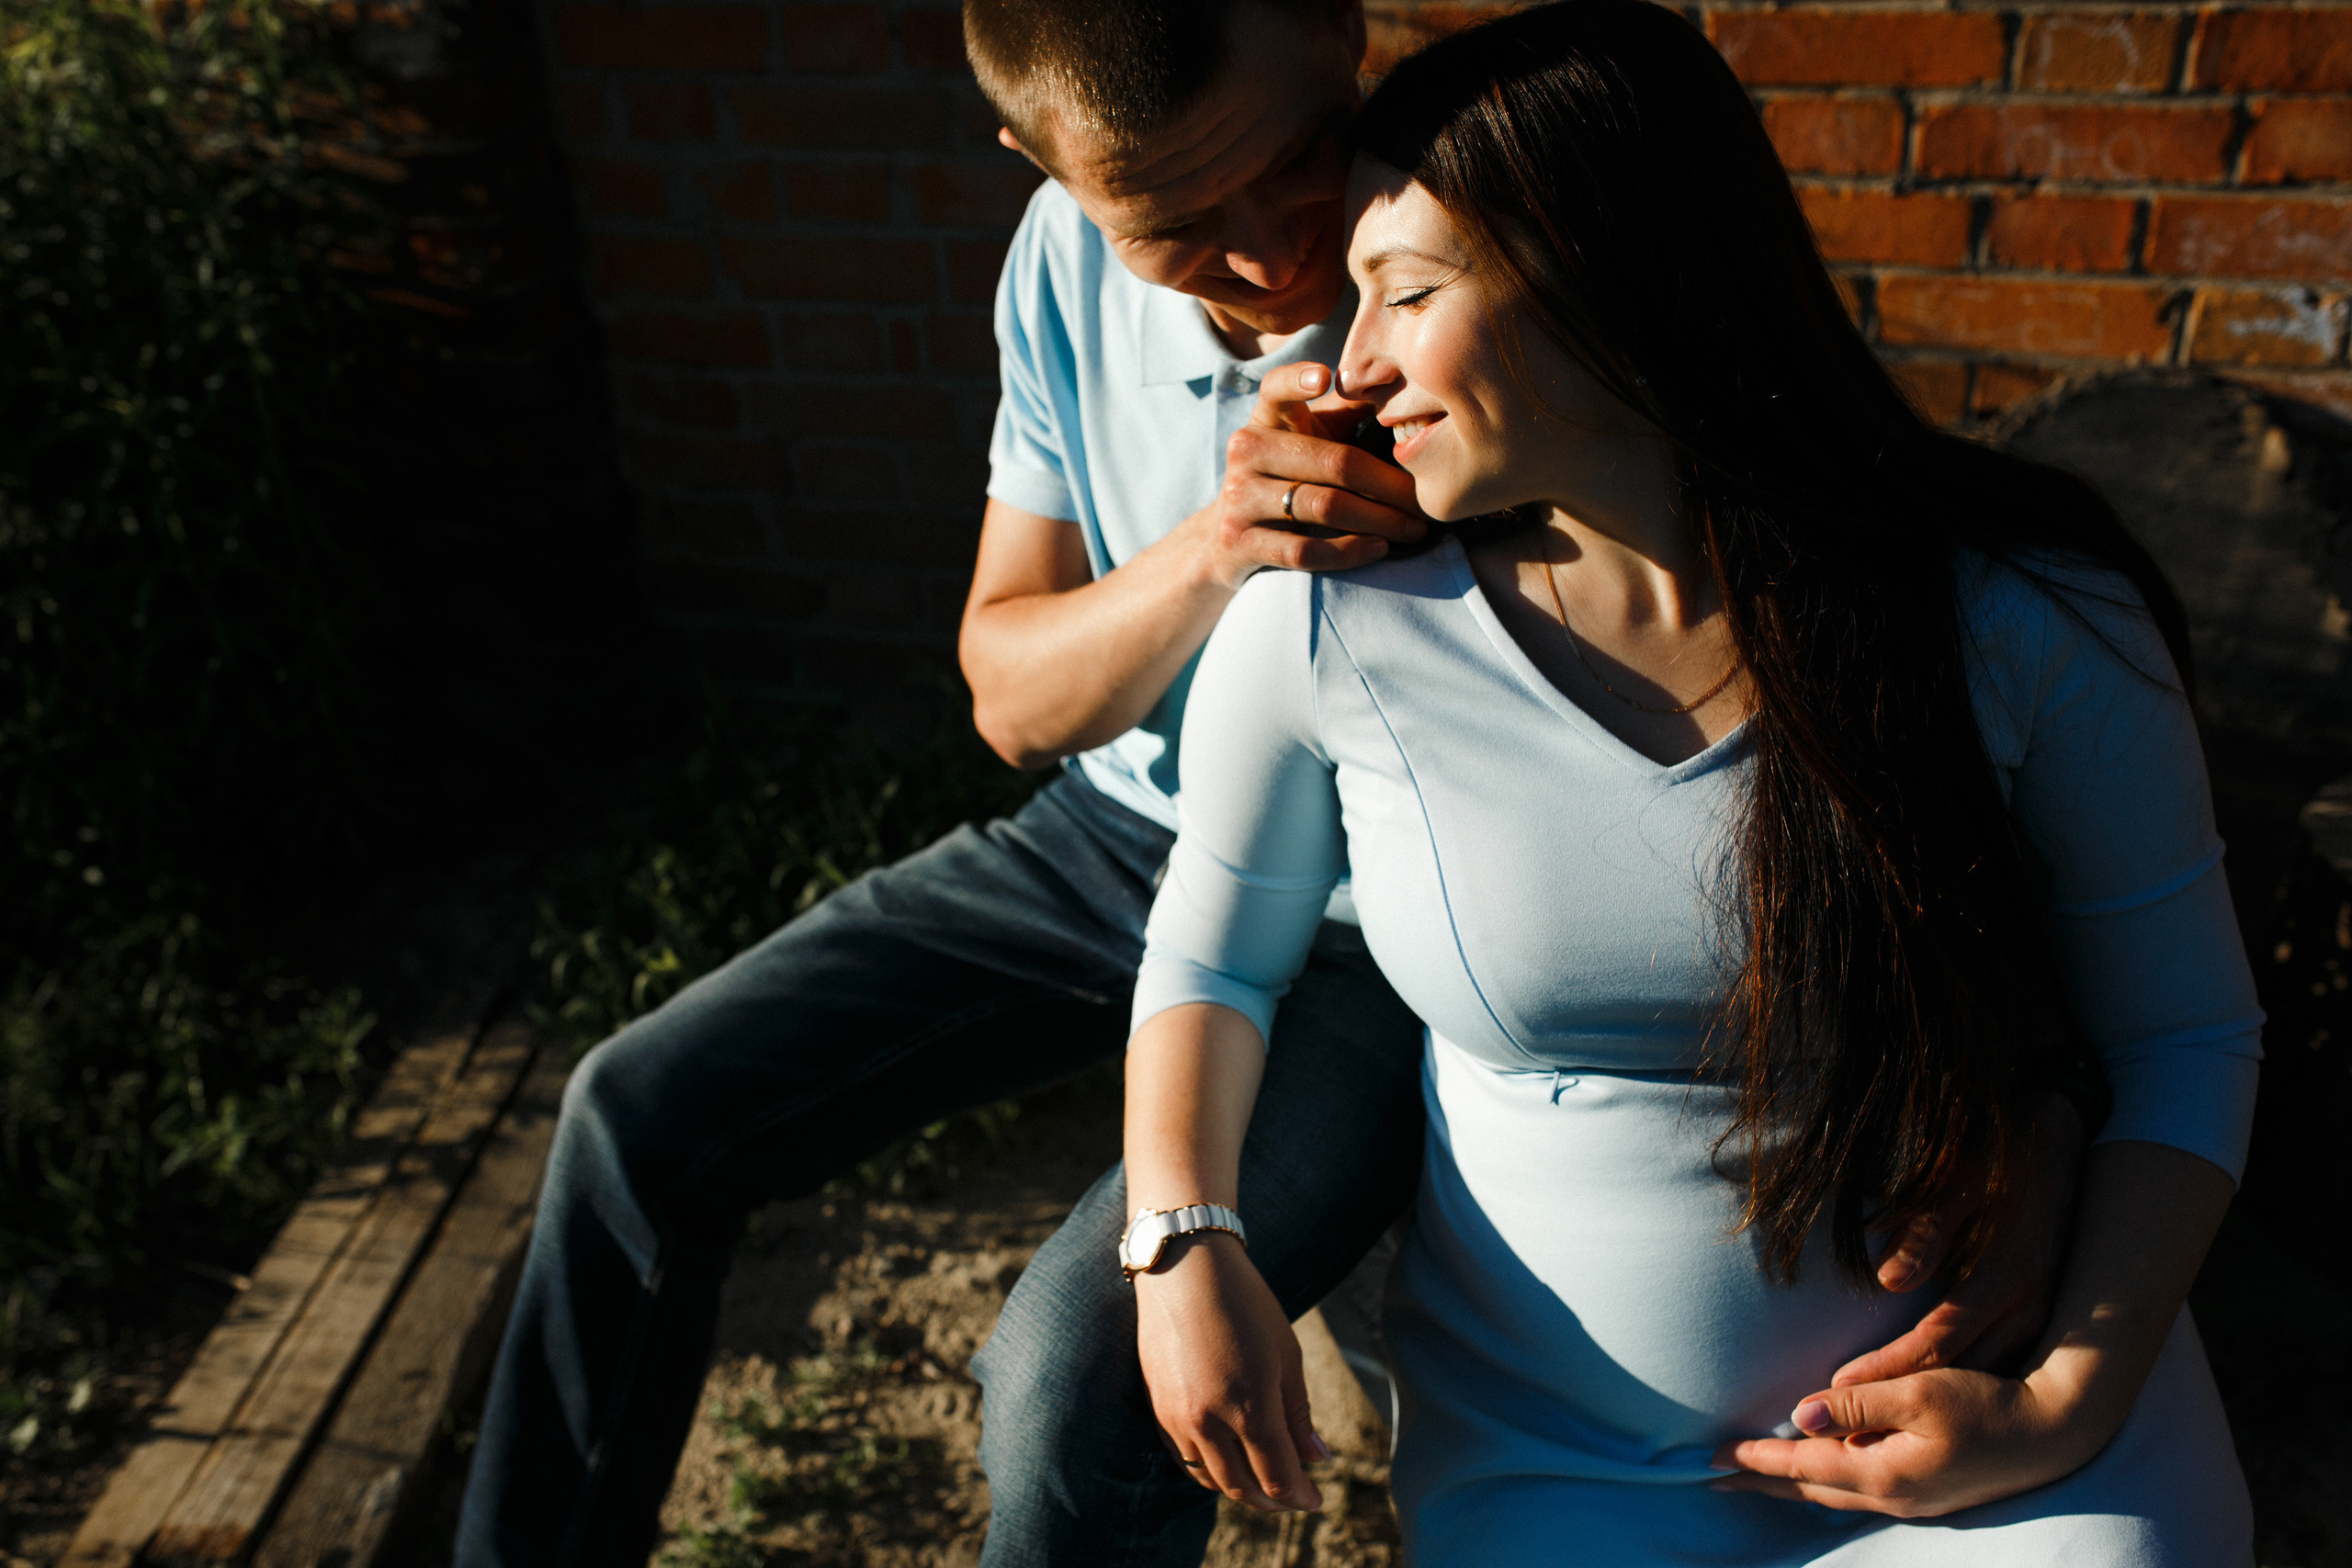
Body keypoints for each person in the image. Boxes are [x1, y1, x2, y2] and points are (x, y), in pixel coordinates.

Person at [456, 4, 2083, 1564]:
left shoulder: (1463, 261)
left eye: (1295, 160)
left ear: (1339, 30)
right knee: (634, 1112)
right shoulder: (1059, 266)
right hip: (1112, 840)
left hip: (1371, 916)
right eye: (1173, 224)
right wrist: (1216, 548)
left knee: (1073, 1371)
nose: (1270, 256)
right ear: (1044, 166)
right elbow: (1010, 691)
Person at [1119, 3, 2263, 1563]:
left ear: (1606, 269)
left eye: (1410, 292)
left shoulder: (2021, 615)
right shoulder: (1335, 628)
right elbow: (1207, 962)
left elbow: (2186, 1035)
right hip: (1563, 1460)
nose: (1352, 360)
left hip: (1999, 1438)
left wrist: (2065, 1400)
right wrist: (1182, 1241)